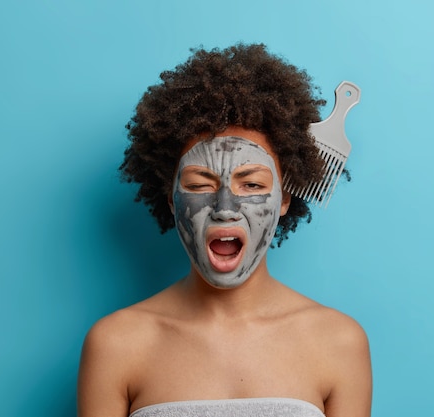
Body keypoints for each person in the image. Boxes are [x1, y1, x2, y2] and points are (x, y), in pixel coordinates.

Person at [77, 43, 372, 417]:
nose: (225, 209)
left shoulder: (339, 342)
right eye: (200, 184)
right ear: (171, 198)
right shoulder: (115, 345)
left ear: (285, 199)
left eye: (252, 184)